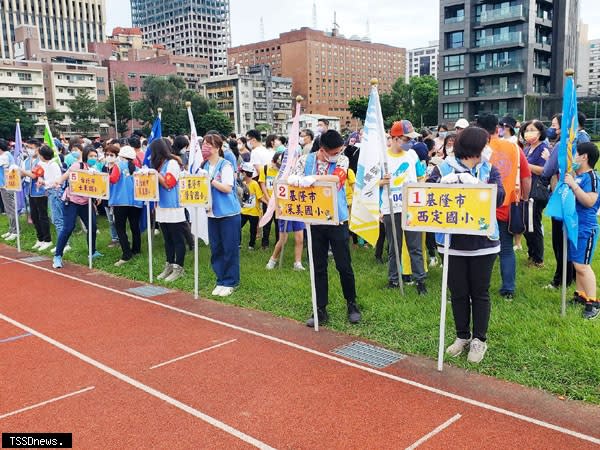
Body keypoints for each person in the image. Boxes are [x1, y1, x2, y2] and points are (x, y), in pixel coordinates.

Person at [428, 127, 505, 363]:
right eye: (485, 144)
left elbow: (500, 198)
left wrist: (477, 185)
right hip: (452, 242)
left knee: (479, 293)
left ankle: (479, 340)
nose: (488, 149)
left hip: (483, 242)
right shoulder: (442, 168)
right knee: (458, 292)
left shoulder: (489, 169)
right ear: (474, 147)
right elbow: (427, 197)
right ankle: (462, 335)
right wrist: (442, 184)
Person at [289, 130, 361, 326]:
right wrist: (296, 180)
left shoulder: (342, 160)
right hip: (314, 221)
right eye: (335, 152)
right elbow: (292, 179)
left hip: (337, 220)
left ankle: (352, 304)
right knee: (318, 266)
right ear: (323, 150)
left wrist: (312, 179)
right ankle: (320, 308)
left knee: (343, 265)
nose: (338, 154)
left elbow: (338, 178)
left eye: (340, 151)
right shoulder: (305, 160)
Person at [476, 114, 531, 300]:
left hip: (481, 206)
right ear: (497, 128)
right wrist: (523, 197)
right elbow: (526, 175)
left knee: (481, 250)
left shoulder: (478, 148)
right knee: (506, 250)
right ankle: (508, 289)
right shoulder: (514, 148)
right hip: (508, 205)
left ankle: (479, 287)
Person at [380, 120, 427, 294]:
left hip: (411, 208)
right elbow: (370, 183)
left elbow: (421, 177)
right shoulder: (382, 157)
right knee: (394, 247)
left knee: (415, 247)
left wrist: (420, 193)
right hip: (391, 208)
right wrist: (381, 182)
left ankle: (420, 281)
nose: (410, 143)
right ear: (396, 138)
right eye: (407, 139)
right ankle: (393, 280)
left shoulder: (412, 155)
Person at [563, 142, 600, 319]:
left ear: (584, 157)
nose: (574, 157)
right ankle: (581, 294)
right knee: (577, 263)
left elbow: (590, 201)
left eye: (576, 153)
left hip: (586, 227)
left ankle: (593, 302)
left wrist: (573, 185)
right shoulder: (577, 175)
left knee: (582, 265)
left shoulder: (592, 177)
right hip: (574, 226)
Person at [202, 133, 241, 297]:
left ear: (217, 147)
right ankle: (221, 279)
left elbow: (227, 188)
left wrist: (210, 180)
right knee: (216, 248)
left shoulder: (225, 165)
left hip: (228, 214)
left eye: (208, 144)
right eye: (204, 144)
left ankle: (231, 281)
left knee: (229, 248)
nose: (205, 147)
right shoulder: (203, 166)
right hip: (211, 214)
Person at [52, 146, 101, 269]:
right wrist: (58, 181)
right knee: (68, 228)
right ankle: (58, 256)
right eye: (91, 156)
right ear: (85, 156)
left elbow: (100, 184)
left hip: (86, 202)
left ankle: (92, 251)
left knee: (92, 227)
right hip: (71, 201)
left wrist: (99, 196)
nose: (93, 158)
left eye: (95, 156)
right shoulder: (77, 166)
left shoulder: (94, 168)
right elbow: (67, 175)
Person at [151, 138, 187, 282]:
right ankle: (169, 264)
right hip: (162, 206)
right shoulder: (161, 165)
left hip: (173, 206)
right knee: (167, 239)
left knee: (177, 238)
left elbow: (169, 184)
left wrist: (155, 174)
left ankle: (179, 267)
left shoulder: (172, 163)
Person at [109, 146, 143, 267]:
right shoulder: (138, 169)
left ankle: (126, 254)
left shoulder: (118, 166)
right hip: (136, 202)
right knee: (135, 227)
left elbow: (113, 179)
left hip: (120, 201)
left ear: (121, 156)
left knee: (120, 228)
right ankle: (136, 250)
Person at [521, 120, 548, 267]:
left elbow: (544, 170)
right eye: (526, 130)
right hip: (526, 189)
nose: (528, 132)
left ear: (540, 132)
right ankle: (532, 254)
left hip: (536, 191)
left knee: (534, 224)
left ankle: (538, 258)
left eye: (532, 129)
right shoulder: (527, 149)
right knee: (526, 224)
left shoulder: (543, 148)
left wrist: (525, 165)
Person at [19, 142, 53, 251]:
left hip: (40, 192)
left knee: (42, 215)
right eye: (28, 147)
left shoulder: (41, 161)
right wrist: (23, 172)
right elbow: (25, 175)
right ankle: (40, 238)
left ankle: (47, 239)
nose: (29, 150)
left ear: (38, 149)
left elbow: (34, 175)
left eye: (32, 148)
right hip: (30, 190)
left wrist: (22, 171)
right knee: (34, 216)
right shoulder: (26, 161)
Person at [258, 151, 282, 248]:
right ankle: (265, 243)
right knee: (267, 221)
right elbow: (262, 183)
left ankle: (278, 242)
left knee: (278, 223)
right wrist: (267, 198)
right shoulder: (265, 168)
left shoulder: (283, 171)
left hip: (279, 201)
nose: (277, 167)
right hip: (268, 200)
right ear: (273, 161)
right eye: (276, 164)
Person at [239, 162, 265, 250]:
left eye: (242, 172)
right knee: (237, 226)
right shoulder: (241, 184)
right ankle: (238, 243)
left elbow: (260, 197)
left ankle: (251, 245)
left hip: (254, 212)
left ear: (245, 173)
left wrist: (268, 204)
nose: (241, 174)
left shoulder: (254, 184)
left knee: (253, 230)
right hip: (243, 211)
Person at [0, 138, 18, 241]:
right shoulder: (4, 155)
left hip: (8, 186)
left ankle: (15, 231)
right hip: (4, 186)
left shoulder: (5, 156)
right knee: (8, 209)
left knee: (11, 209)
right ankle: (11, 229)